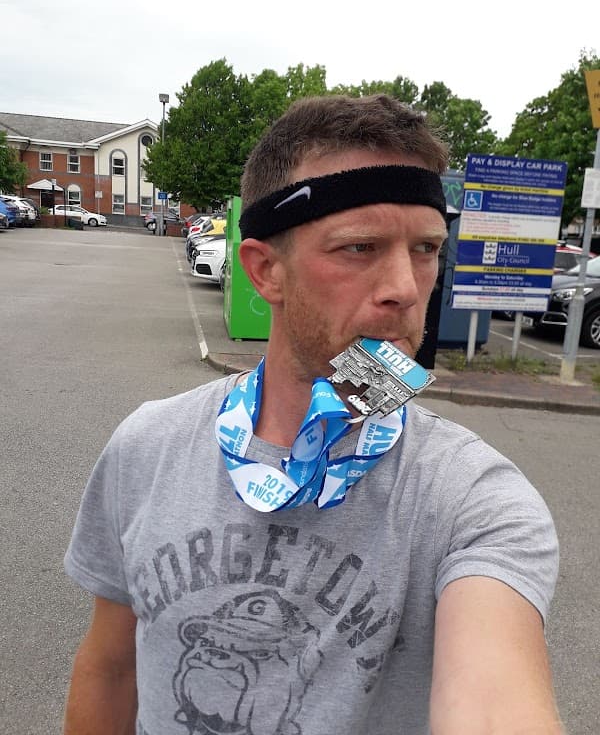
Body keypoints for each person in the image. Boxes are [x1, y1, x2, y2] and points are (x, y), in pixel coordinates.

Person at [63, 94, 562, 735]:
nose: (405, 289)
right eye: (359, 248)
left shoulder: (472, 499)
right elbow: (110, 670)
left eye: (426, 249)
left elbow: (496, 706)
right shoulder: (148, 447)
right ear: (266, 270)